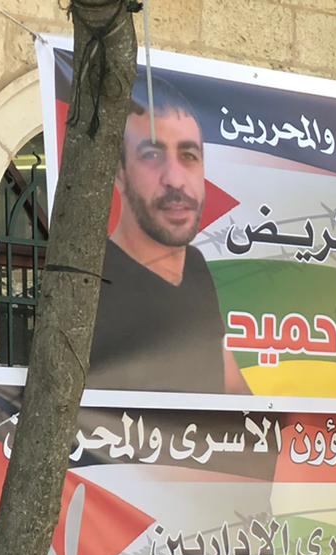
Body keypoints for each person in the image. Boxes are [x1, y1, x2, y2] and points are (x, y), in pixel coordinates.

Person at [89, 76, 251, 395]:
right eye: (152, 155)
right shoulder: (96, 282)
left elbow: (234, 390)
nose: (175, 179)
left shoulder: (195, 265)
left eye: (188, 156)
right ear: (119, 172)